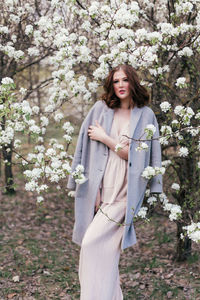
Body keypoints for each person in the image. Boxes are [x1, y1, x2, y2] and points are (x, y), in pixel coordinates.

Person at [67, 64, 163, 300]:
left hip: (125, 193)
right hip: (103, 187)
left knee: (90, 245)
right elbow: (83, 145)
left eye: (125, 80)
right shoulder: (100, 109)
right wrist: (90, 187)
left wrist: (107, 139)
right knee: (104, 256)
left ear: (133, 83)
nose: (120, 85)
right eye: (116, 81)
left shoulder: (146, 115)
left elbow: (139, 156)